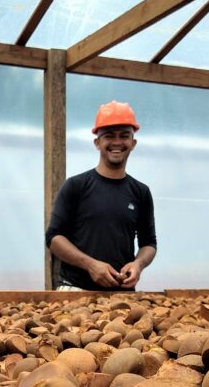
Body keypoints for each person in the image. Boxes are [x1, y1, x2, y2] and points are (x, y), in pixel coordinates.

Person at [45, 100, 157, 291]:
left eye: (124, 136)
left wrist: (138, 264)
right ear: (97, 143)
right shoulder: (76, 186)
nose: (117, 142)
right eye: (109, 136)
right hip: (75, 290)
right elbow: (54, 238)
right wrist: (90, 265)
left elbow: (149, 243)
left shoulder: (141, 192)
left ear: (133, 143)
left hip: (122, 294)